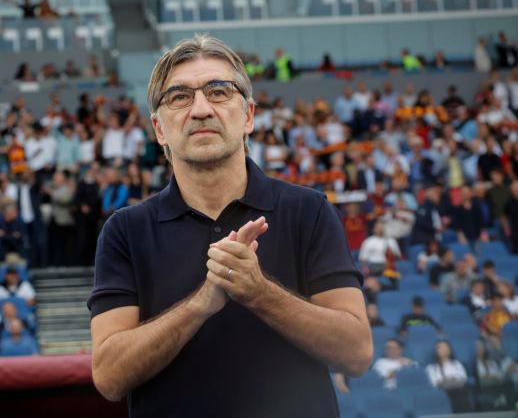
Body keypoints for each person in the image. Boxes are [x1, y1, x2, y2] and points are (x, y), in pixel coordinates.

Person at [87, 34, 371, 417]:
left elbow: (357, 353)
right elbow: (108, 377)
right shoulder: (124, 231)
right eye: (179, 97)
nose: (201, 109)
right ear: (159, 129)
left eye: (219, 91)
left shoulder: (309, 210)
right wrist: (201, 304)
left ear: (249, 116)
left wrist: (258, 292)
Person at [426, 340, 472, 412]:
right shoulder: (431, 367)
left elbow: (464, 378)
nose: (443, 349)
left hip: (457, 388)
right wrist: (444, 380)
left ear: (450, 350)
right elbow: (433, 384)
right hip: (441, 391)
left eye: (445, 347)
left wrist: (452, 378)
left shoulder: (457, 364)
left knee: (461, 391)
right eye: (440, 347)